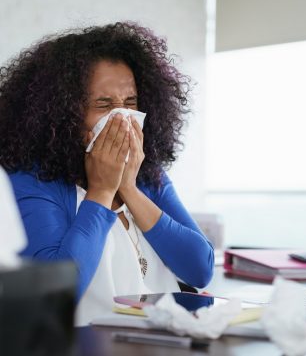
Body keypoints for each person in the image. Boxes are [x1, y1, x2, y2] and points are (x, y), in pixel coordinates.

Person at [0, 22, 214, 325]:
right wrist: (101, 191)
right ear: (62, 114)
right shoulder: (30, 181)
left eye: (130, 103)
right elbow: (51, 299)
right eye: (103, 104)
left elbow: (200, 269)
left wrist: (128, 188)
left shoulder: (149, 176)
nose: (123, 117)